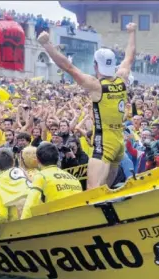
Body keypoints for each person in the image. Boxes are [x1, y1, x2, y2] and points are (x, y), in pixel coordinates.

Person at [37, 23, 137, 189]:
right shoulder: (122, 77)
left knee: (93, 190)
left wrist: (47, 44)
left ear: (96, 65)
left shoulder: (97, 85)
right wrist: (132, 33)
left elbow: (68, 67)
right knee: (107, 190)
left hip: (104, 141)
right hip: (119, 140)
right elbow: (130, 57)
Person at [21, 142, 83, 219]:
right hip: (77, 220)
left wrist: (21, 226)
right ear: (57, 158)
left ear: (37, 160)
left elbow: (30, 205)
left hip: (56, 222)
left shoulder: (41, 176)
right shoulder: (73, 178)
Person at [0, 148, 29, 223]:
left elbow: (1, 215)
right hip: (36, 217)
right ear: (13, 162)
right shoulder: (23, 172)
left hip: (17, 225)